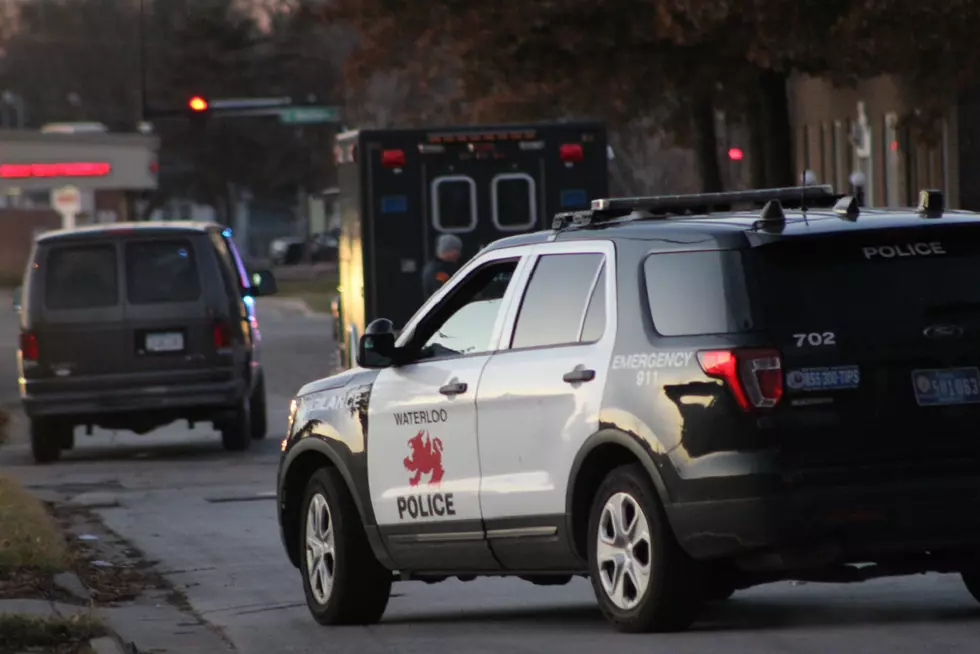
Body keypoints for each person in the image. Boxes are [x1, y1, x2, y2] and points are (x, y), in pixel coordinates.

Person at [422, 234, 463, 298]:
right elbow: (444, 291)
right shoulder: (436, 270)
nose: (459, 254)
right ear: (447, 250)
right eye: (457, 250)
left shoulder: (449, 266)